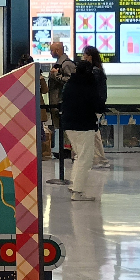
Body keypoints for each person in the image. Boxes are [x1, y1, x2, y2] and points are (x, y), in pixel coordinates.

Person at [62, 55, 103, 202]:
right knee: (85, 158)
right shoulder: (88, 85)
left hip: (69, 125)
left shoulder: (70, 84)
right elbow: (96, 104)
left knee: (79, 155)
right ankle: (77, 191)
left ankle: (74, 185)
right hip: (84, 125)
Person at [45, 41, 76, 159]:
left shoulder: (66, 64)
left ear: (57, 51)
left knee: (64, 126)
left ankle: (67, 149)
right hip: (55, 101)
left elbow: (70, 81)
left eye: (52, 50)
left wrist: (56, 76)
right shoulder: (59, 64)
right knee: (58, 126)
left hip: (61, 101)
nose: (50, 52)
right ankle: (61, 148)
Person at [84, 46, 111, 169]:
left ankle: (101, 159)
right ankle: (98, 158)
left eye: (85, 55)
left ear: (89, 56)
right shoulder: (98, 70)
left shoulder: (94, 72)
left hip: (94, 107)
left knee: (94, 133)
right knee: (94, 133)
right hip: (97, 106)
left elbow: (93, 90)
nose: (83, 57)